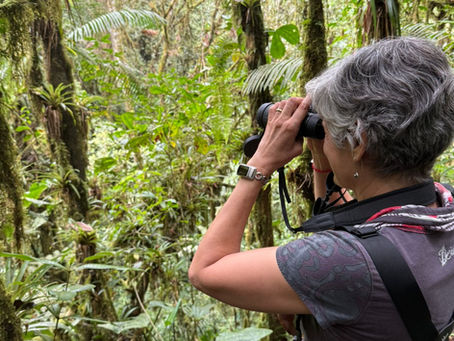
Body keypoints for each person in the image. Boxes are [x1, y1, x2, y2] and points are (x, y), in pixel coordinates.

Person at [188, 37, 454, 340]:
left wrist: (260, 163)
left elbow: (206, 271)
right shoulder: (442, 205)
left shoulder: (345, 265)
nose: (323, 139)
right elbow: (372, 239)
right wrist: (321, 159)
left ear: (359, 144)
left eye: (325, 130)